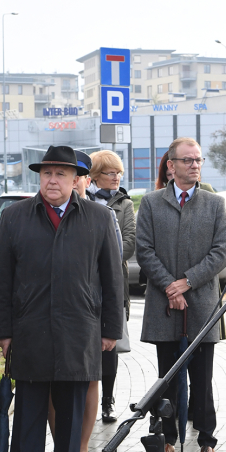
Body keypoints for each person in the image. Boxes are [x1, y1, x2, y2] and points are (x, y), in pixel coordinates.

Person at [0, 145, 123, 452]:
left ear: (77, 179)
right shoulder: (15, 218)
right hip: (29, 334)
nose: (53, 180)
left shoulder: (98, 217)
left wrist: (111, 329)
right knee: (28, 419)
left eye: (61, 174)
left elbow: (112, 277)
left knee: (69, 418)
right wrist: (2, 331)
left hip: (79, 333)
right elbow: (0, 280)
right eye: (47, 173)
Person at [136, 137, 226, 452]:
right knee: (167, 378)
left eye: (198, 160)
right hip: (164, 307)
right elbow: (144, 250)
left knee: (202, 380)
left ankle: (207, 442)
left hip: (202, 306)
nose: (194, 165)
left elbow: (220, 253)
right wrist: (170, 287)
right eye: (187, 160)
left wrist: (187, 282)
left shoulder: (214, 204)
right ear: (170, 165)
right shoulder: (150, 203)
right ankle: (167, 438)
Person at [87, 150, 135, 425]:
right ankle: (86, 399)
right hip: (84, 285)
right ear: (94, 176)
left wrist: (101, 262)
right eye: (110, 173)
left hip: (114, 283)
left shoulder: (124, 203)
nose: (116, 177)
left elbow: (129, 241)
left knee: (110, 346)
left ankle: (107, 401)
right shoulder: (82, 198)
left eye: (118, 172)